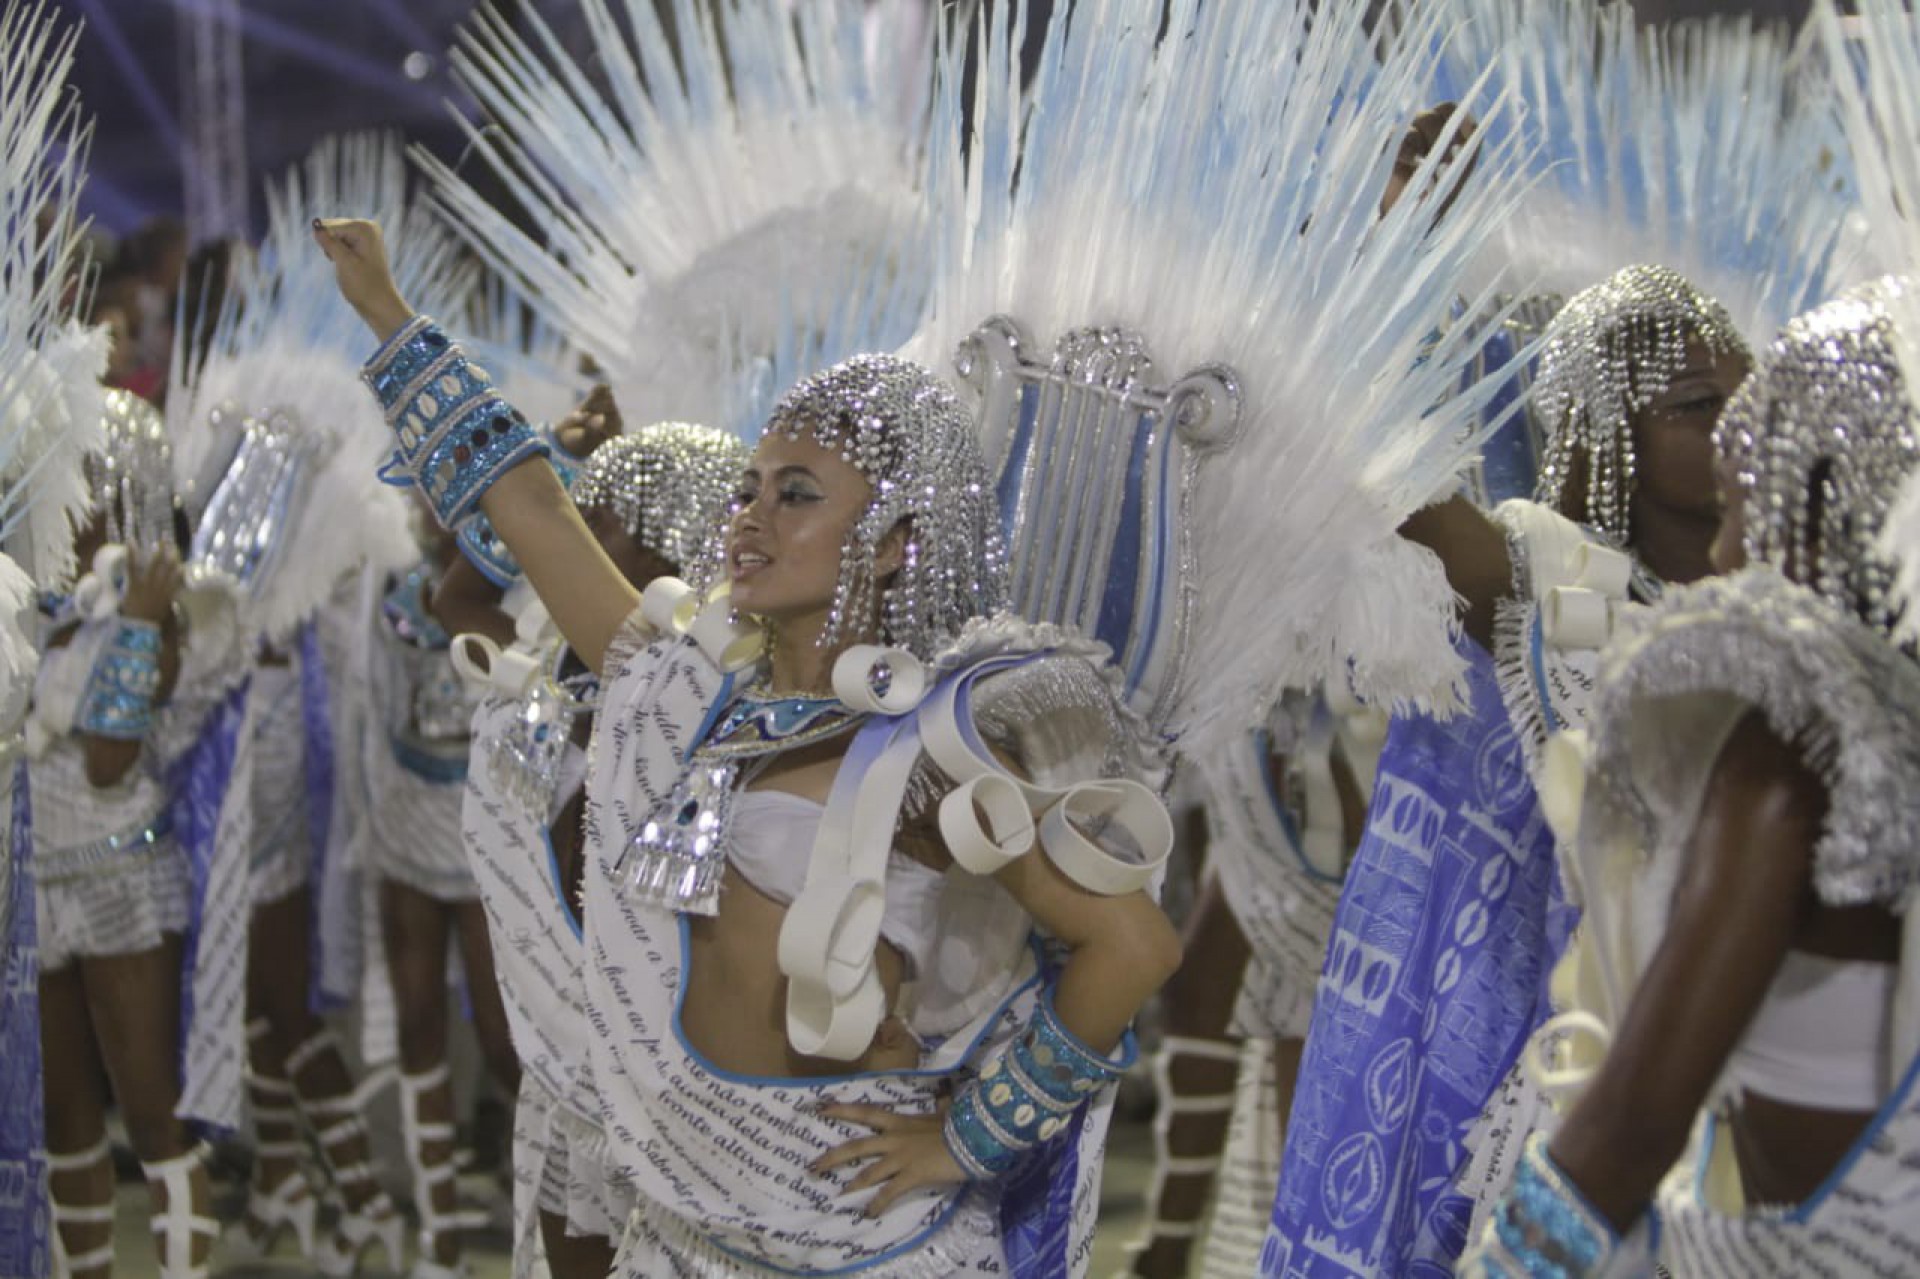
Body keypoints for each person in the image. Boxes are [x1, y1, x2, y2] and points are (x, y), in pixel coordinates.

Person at [314, 212, 1183, 1274]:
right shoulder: (691, 691)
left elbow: (1131, 945)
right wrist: (389, 313)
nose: (751, 518)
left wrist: (966, 1140)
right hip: (682, 1220)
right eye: (750, 489)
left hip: (853, 1235)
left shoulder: (926, 748)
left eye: (798, 494)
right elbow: (536, 510)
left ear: (900, 538)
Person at [1467, 275, 1920, 1276]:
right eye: (1699, 407)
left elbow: (1624, 1131)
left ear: (1827, 478)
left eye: (1753, 413)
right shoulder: (1598, 593)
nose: (1729, 447)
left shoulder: (1793, 737)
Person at [453, 416, 748, 1279]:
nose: (572, 541)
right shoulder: (557, 690)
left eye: (600, 519)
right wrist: (538, 465)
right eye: (573, 513)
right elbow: (454, 601)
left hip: (668, 1109)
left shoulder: (709, 730)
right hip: (563, 1093)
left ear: (671, 550)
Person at [29, 391, 243, 1279]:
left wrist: (144, 622)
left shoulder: (164, 599)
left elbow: (113, 756)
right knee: (64, 1120)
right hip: (40, 884)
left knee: (153, 1113)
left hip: (123, 884)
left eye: (72, 477)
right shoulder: (43, 598)